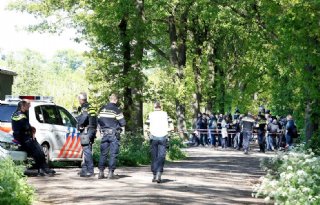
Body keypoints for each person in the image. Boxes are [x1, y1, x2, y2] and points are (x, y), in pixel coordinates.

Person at [11, 100, 55, 175]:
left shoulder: (15, 114)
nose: (29, 107)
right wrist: (32, 130)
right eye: (27, 105)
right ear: (22, 106)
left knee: (38, 151)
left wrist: (31, 128)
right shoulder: (21, 115)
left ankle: (42, 169)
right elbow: (26, 126)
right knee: (39, 151)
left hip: (21, 137)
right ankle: (44, 169)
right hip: (25, 138)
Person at [97, 94, 126, 179]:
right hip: (114, 134)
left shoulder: (102, 109)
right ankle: (110, 173)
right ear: (116, 100)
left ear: (110, 99)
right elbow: (123, 123)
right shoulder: (117, 110)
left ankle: (101, 173)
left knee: (103, 153)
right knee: (113, 154)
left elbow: (98, 120)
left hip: (104, 133)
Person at [145, 102, 173, 183]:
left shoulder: (150, 115)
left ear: (154, 107)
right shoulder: (166, 115)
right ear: (161, 107)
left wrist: (149, 131)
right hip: (163, 137)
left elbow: (146, 127)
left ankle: (154, 175)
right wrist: (165, 130)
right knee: (161, 156)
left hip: (153, 137)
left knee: (154, 156)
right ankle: (159, 174)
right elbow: (171, 127)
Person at [76, 92, 97, 177]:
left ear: (81, 99)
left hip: (86, 130)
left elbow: (84, 117)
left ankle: (90, 170)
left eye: (79, 99)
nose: (79, 101)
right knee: (87, 149)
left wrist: (79, 124)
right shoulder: (91, 106)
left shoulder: (84, 107)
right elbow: (95, 118)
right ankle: (84, 169)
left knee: (86, 149)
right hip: (92, 129)